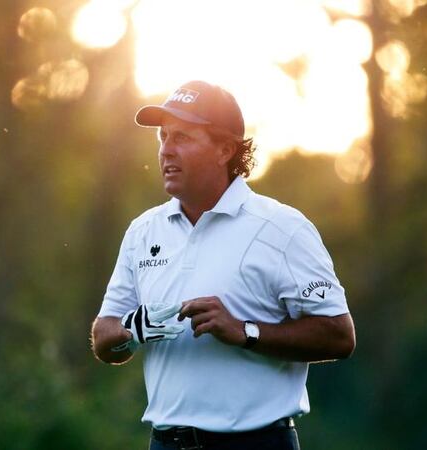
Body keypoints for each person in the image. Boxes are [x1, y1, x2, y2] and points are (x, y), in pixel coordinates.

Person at [90, 80, 356, 450]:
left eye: (182, 137)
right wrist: (132, 329)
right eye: (163, 137)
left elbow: (339, 335)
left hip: (258, 443)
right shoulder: (142, 231)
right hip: (165, 443)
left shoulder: (282, 228)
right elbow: (104, 337)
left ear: (225, 149)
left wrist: (245, 331)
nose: (166, 150)